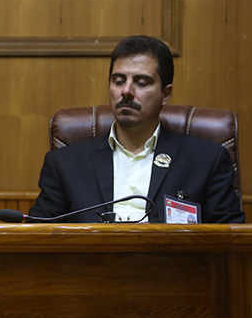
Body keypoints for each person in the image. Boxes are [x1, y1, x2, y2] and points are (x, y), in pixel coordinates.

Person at [29, 35, 244, 223]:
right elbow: (37, 237)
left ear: (166, 94)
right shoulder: (65, 164)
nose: (126, 91)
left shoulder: (206, 161)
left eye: (141, 82)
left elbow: (231, 240)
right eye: (118, 81)